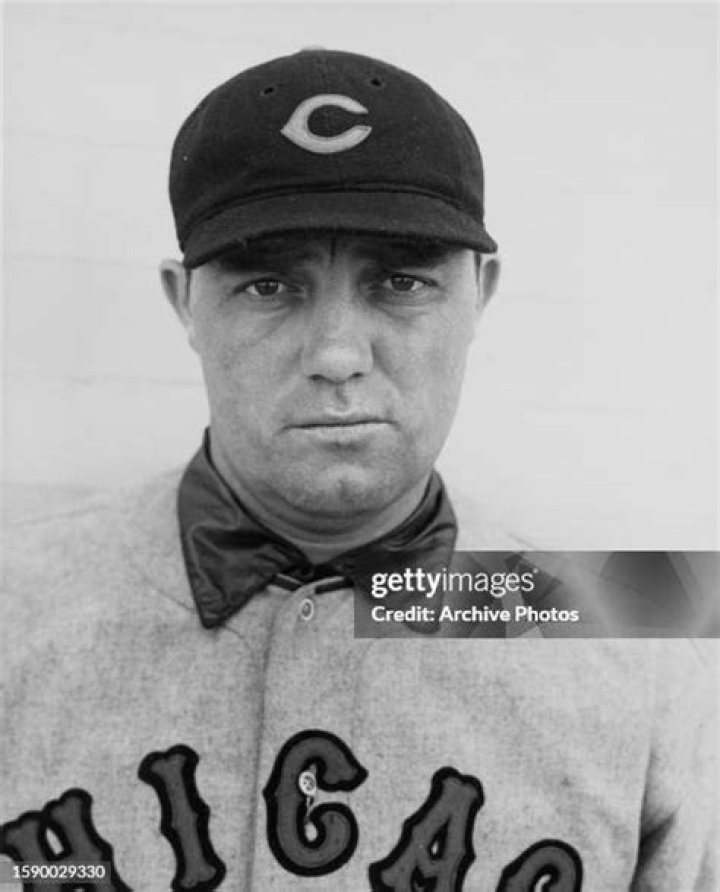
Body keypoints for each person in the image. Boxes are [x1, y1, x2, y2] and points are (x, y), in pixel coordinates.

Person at [0, 49, 715, 891]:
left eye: (402, 281)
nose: (337, 354)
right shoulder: (17, 606)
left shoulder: (638, 639)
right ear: (183, 301)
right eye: (268, 285)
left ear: (481, 294)